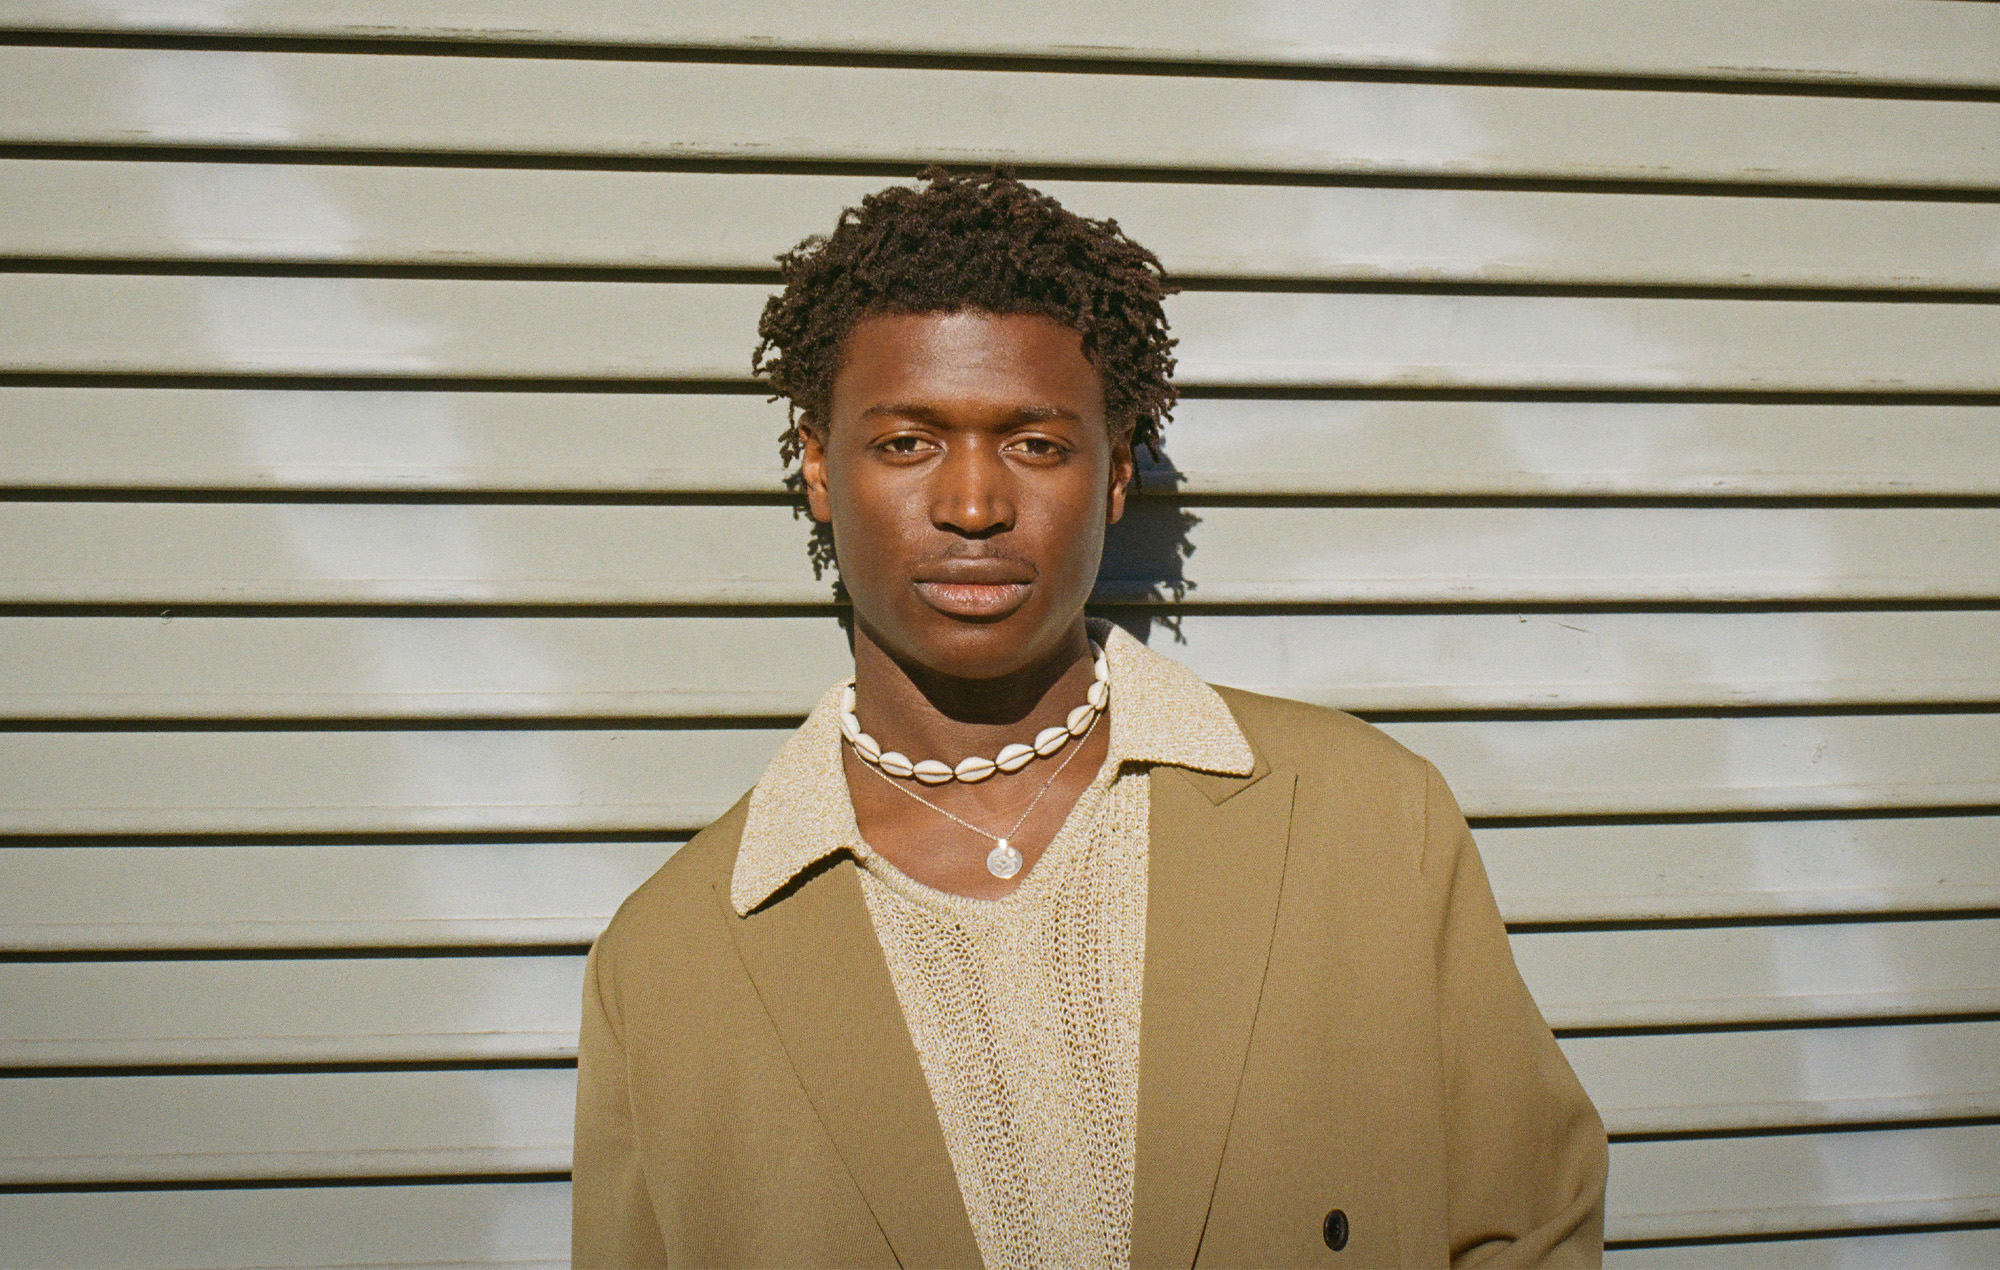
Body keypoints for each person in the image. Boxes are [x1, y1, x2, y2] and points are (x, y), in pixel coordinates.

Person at [572, 169, 1608, 1268]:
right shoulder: (669, 964)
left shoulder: (1365, 818)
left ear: (1115, 471)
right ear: (819, 467)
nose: (974, 506)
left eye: (1035, 443)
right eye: (908, 442)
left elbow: (1530, 1218)